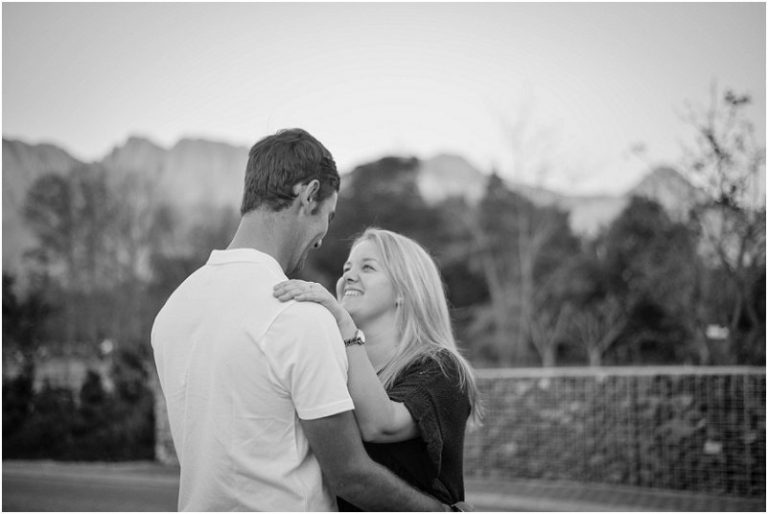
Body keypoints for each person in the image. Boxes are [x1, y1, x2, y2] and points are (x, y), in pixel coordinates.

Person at [151, 129, 452, 511]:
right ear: (309, 195)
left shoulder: (173, 312)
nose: (323, 237)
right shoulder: (298, 314)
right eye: (328, 215)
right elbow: (352, 476)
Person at [273, 227, 482, 511]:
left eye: (367, 267)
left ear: (404, 291)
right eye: (346, 268)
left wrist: (345, 326)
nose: (348, 276)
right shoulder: (335, 363)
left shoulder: (442, 368)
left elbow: (380, 425)